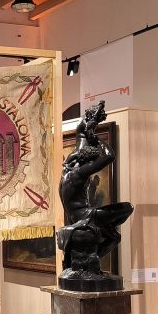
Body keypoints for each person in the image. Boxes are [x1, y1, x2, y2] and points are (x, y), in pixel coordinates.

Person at [56, 101, 133, 281]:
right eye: (92, 163)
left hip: (80, 215)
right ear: (86, 162)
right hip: (86, 216)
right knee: (126, 208)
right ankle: (90, 261)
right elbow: (109, 156)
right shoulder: (78, 173)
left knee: (114, 237)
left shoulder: (67, 173)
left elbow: (80, 135)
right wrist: (97, 138)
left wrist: (90, 125)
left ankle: (89, 262)